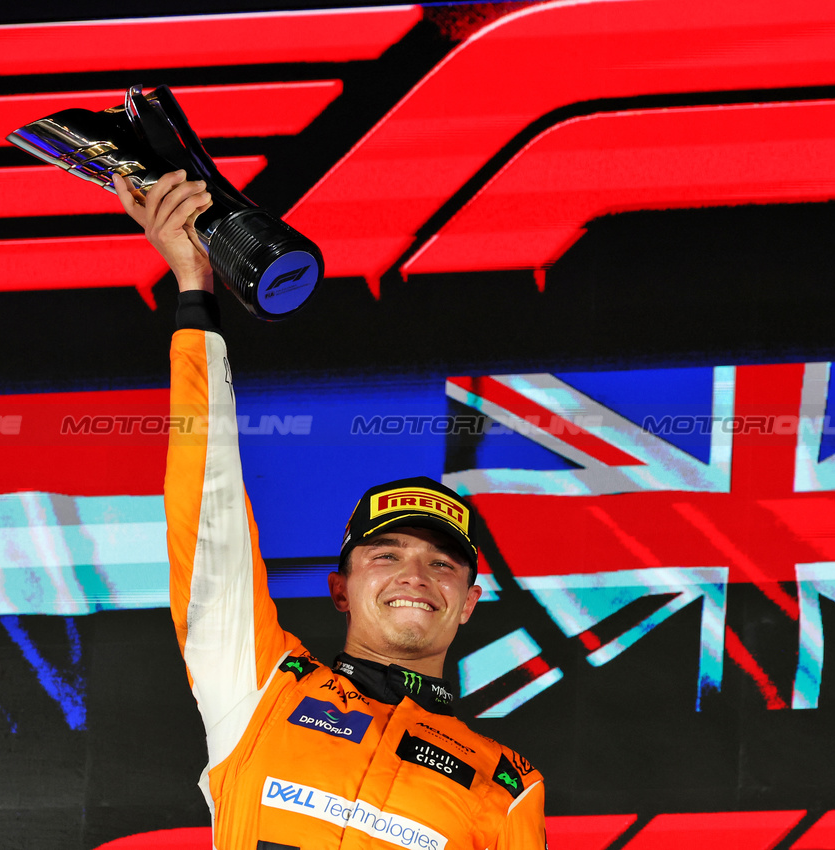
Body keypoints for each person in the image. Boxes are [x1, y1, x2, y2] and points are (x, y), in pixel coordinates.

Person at [119, 171, 546, 850]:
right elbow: (209, 517)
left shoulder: (507, 784)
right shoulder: (260, 689)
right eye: (386, 555)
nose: (416, 575)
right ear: (338, 588)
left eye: (442, 563)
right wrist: (194, 289)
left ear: (467, 602)